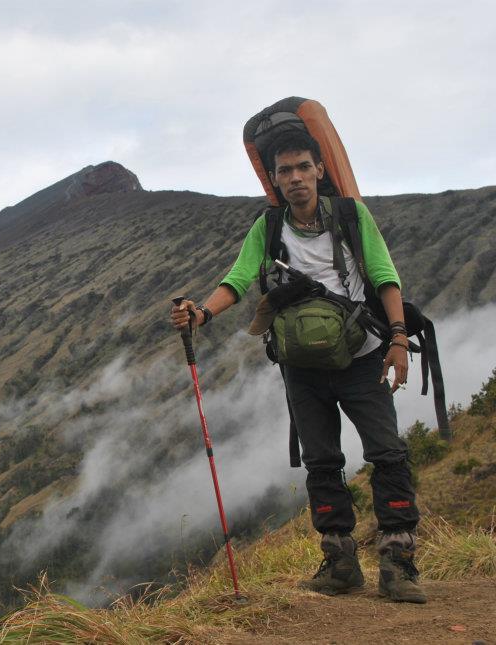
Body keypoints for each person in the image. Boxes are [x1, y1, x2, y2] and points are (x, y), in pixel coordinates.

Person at [171, 130, 425, 603]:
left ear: (319, 170)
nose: (295, 178)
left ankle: (399, 563)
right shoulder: (268, 228)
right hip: (301, 366)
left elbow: (385, 277)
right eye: (285, 171)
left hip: (362, 354)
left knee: (387, 453)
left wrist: (397, 338)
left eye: (302, 167)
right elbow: (239, 279)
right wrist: (202, 313)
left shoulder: (349, 217)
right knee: (322, 461)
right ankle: (340, 561)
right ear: (274, 180)